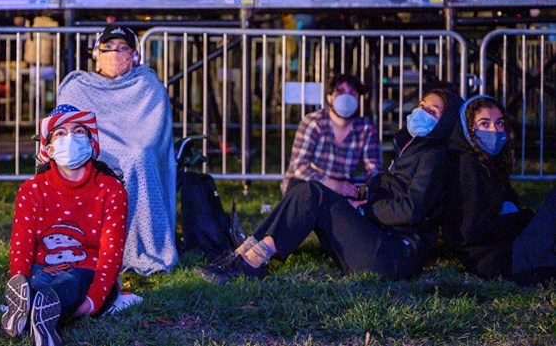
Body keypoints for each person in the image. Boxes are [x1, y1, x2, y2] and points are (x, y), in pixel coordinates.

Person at [199, 89, 462, 283]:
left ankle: (251, 261)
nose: (421, 112)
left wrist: (363, 210)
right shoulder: (413, 148)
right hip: (381, 242)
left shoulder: (433, 158)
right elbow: (391, 187)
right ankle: (246, 253)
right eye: (421, 105)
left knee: (314, 194)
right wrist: (361, 192)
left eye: (432, 111)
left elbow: (412, 209)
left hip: (393, 256)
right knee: (308, 189)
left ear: (446, 121)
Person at [0, 104, 128, 346]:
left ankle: (35, 312)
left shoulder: (112, 190)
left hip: (89, 273)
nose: (70, 137)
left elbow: (111, 256)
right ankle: (33, 309)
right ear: (48, 149)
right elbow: (22, 244)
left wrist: (91, 303)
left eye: (79, 131)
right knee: (38, 284)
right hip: (42, 269)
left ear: (92, 143)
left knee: (70, 282)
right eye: (60, 133)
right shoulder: (32, 190)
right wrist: (19, 276)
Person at [57, 25, 177, 275]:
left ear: (134, 55)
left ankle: (139, 246)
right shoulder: (78, 86)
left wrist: (129, 151)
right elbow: (69, 129)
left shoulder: (147, 84)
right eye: (108, 48)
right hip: (96, 150)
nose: (115, 54)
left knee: (138, 157)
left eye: (123, 48)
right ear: (96, 54)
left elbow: (153, 132)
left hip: (138, 151)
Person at [441, 95, 556, 286]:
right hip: (502, 261)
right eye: (484, 124)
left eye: (499, 123)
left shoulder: (488, 164)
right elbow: (471, 232)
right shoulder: (466, 167)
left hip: (511, 251)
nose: (494, 130)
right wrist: (523, 218)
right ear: (467, 129)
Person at [282, 74, 382, 196]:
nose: (346, 97)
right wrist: (332, 185)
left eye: (352, 92)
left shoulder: (366, 128)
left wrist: (363, 192)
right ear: (329, 97)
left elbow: (374, 169)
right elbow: (299, 166)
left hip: (342, 187)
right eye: (341, 92)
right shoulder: (313, 122)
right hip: (309, 184)